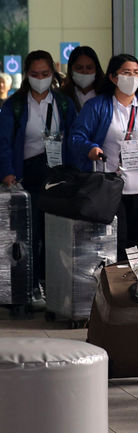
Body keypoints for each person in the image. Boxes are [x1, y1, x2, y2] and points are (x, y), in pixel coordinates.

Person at [70, 53, 138, 260]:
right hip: (111, 189)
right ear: (113, 77)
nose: (132, 77)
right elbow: (77, 136)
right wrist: (91, 148)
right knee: (118, 242)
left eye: (136, 73)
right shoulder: (98, 106)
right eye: (126, 73)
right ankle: (118, 286)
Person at [0, 50, 76, 292]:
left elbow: (75, 138)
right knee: (28, 234)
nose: (40, 78)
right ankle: (29, 287)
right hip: (27, 175)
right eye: (35, 74)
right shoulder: (16, 105)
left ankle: (54, 287)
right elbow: (3, 141)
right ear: (26, 75)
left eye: (45, 73)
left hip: (57, 174)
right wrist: (7, 172)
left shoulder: (63, 103)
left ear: (52, 74)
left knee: (56, 234)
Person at [59, 46, 104, 111]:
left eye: (89, 68)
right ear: (71, 70)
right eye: (79, 68)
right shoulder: (61, 96)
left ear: (96, 69)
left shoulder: (106, 95)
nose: (84, 71)